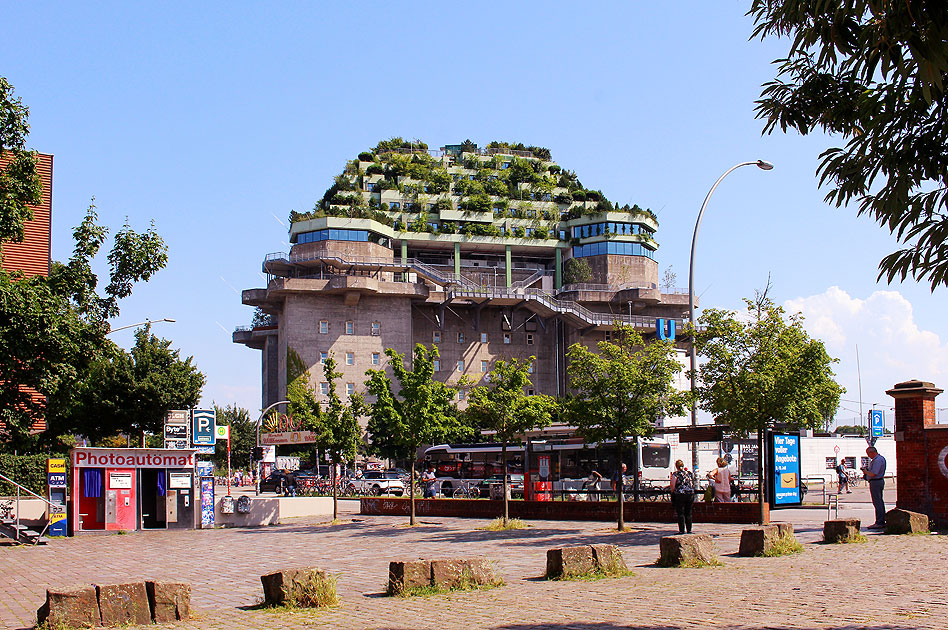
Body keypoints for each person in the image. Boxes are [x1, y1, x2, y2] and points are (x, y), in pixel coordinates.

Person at [862, 446, 887, 529]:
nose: (868, 456)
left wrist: (866, 472)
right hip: (877, 481)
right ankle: (881, 520)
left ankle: (880, 522)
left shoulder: (877, 460)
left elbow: (874, 473)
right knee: (879, 501)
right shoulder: (879, 459)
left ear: (872, 452)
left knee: (877, 502)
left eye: (868, 454)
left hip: (876, 481)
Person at [669, 459, 696, 534]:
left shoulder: (676, 474)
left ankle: (681, 530)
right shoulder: (689, 473)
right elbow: (692, 483)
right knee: (688, 512)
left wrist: (673, 492)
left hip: (680, 494)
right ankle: (689, 530)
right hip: (690, 494)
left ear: (676, 466)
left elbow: (672, 485)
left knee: (680, 512)